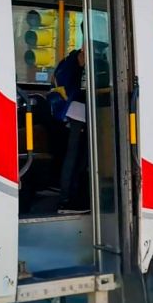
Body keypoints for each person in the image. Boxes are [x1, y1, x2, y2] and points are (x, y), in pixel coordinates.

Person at [48, 43, 88, 214]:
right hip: (78, 113)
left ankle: (69, 196)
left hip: (71, 112)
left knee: (75, 156)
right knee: (76, 157)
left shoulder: (68, 60)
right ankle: (68, 200)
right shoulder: (78, 61)